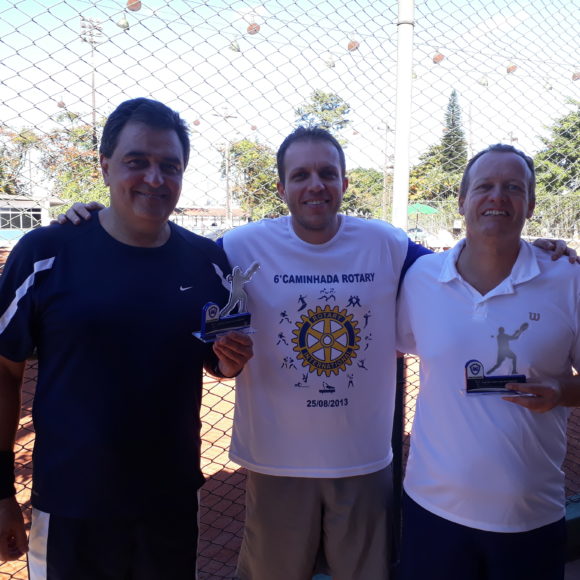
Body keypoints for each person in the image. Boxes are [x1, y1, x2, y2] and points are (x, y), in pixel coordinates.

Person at [56, 130, 576, 580]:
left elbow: (470, 259)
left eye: (327, 173)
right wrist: (102, 218)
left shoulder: (388, 245)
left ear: (345, 183)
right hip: (276, 462)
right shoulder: (239, 245)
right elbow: (167, 245)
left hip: (364, 463)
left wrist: (535, 249)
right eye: (300, 175)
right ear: (281, 187)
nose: (315, 185)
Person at [0, 98, 253, 579]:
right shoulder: (46, 253)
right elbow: (4, 371)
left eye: (169, 166)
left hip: (169, 501)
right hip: (71, 505)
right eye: (137, 161)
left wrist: (231, 361)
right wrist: (1, 492)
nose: (155, 179)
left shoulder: (207, 261)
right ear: (105, 166)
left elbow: (217, 359)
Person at [396, 144, 580, 580]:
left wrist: (561, 391)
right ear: (462, 200)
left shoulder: (568, 278)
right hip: (432, 510)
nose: (497, 196)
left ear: (530, 205)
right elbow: (405, 345)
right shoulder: (422, 278)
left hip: (530, 517)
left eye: (513, 187)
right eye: (485, 186)